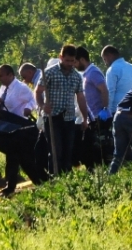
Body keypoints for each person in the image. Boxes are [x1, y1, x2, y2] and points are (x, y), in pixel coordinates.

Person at [35, 45, 89, 174]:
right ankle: (54, 178)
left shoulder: (76, 76)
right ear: (61, 57)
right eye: (67, 60)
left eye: (72, 61)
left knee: (68, 151)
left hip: (69, 118)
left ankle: (66, 180)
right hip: (52, 118)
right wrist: (43, 105)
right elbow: (38, 91)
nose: (70, 64)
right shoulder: (49, 72)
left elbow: (81, 98)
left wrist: (85, 118)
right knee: (55, 151)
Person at [0, 64, 40, 196]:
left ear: (10, 75)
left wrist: (28, 108)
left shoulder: (21, 88)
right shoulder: (3, 88)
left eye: (1, 75)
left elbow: (34, 100)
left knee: (21, 158)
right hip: (8, 127)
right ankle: (10, 186)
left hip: (20, 128)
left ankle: (38, 182)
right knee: (12, 156)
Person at [101, 45, 132, 115]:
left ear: (110, 55)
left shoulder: (112, 69)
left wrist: (108, 111)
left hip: (119, 111)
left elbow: (110, 92)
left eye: (105, 59)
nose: (105, 63)